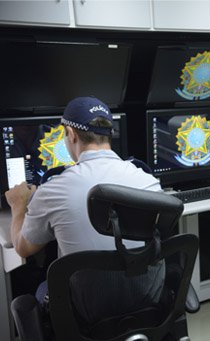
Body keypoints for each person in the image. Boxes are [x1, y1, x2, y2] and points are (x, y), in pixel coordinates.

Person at [5, 96, 164, 323]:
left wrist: (19, 206)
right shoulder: (148, 181)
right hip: (146, 301)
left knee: (42, 287)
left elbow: (22, 248)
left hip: (86, 312)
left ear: (70, 133)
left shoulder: (53, 190)